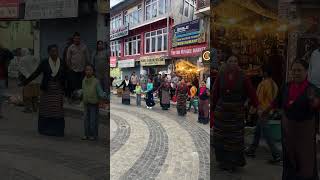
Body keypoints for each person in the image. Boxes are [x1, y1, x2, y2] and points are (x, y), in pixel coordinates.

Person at [270, 60, 319, 180]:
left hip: (304, 138)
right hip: (288, 136)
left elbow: (316, 108)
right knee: (289, 164)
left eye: (299, 70)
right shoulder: (286, 87)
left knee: (305, 165)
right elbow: (275, 103)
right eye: (294, 70)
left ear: (306, 71)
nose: (296, 73)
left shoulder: (312, 90)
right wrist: (264, 111)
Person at [212, 55, 259, 171]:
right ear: (227, 63)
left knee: (234, 138)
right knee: (222, 137)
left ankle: (234, 162)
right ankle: (223, 161)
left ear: (238, 63)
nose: (233, 63)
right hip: (222, 112)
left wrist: (256, 105)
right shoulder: (221, 75)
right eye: (230, 61)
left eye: (235, 61)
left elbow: (251, 92)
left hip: (236, 112)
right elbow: (215, 92)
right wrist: (212, 108)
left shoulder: (243, 76)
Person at [20, 45, 66, 137]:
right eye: (52, 51)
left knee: (57, 110)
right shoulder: (45, 62)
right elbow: (36, 73)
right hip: (47, 89)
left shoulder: (62, 62)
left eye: (56, 51)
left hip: (58, 90)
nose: (54, 53)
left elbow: (67, 75)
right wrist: (25, 82)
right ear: (49, 52)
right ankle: (45, 129)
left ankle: (57, 130)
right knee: (46, 110)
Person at [245, 65, 281, 163]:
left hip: (263, 111)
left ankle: (276, 154)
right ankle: (252, 150)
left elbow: (258, 99)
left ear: (265, 73)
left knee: (267, 134)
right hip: (270, 110)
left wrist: (251, 111)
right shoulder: (274, 84)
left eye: (261, 71)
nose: (259, 73)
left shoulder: (263, 84)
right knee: (258, 131)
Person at [81, 64, 107, 141]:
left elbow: (100, 92)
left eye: (90, 70)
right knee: (86, 120)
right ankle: (86, 134)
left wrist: (105, 96)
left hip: (94, 104)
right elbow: (83, 90)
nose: (88, 71)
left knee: (93, 121)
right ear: (85, 71)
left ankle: (93, 135)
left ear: (93, 71)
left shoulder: (96, 81)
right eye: (86, 70)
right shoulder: (83, 80)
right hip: (86, 103)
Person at [66, 32, 90, 103]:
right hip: (73, 70)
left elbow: (87, 58)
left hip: (82, 70)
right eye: (75, 38)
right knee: (73, 86)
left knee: (81, 85)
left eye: (78, 38)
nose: (77, 40)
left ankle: (81, 99)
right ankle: (73, 99)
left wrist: (87, 69)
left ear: (80, 39)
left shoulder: (84, 47)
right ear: (73, 39)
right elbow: (68, 59)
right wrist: (70, 68)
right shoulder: (70, 48)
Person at [18, 48, 41, 113]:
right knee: (35, 95)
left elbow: (21, 69)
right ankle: (35, 108)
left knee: (27, 95)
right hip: (36, 79)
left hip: (27, 80)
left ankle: (28, 109)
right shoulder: (35, 58)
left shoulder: (22, 59)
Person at [0, 45, 13, 118]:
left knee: (1, 96)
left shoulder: (4, 52)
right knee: (1, 96)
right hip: (2, 77)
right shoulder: (5, 51)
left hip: (2, 77)